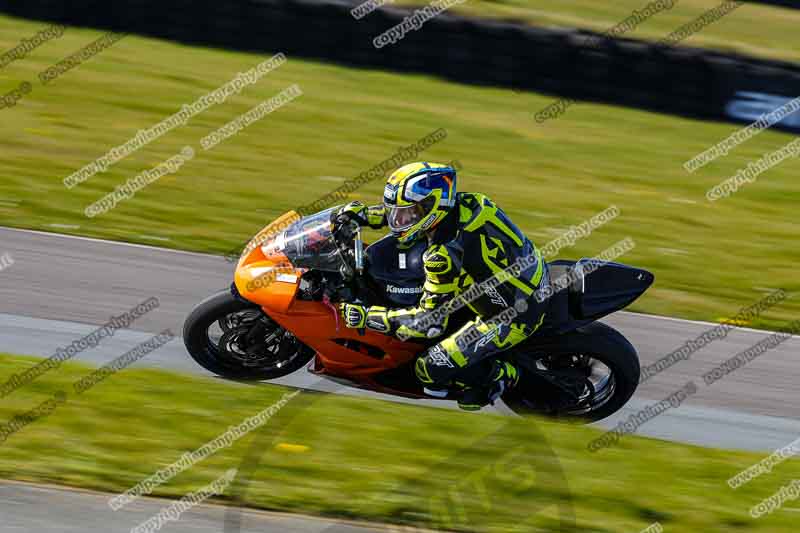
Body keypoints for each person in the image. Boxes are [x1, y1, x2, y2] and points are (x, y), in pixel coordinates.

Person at [335, 162, 549, 410]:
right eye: (396, 211)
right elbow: (411, 217)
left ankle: (501, 375)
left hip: (514, 312)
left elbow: (430, 323)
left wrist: (367, 317)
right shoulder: (469, 203)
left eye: (408, 212)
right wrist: (364, 216)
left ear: (431, 208)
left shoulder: (443, 255)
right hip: (523, 274)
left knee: (430, 368)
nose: (399, 220)